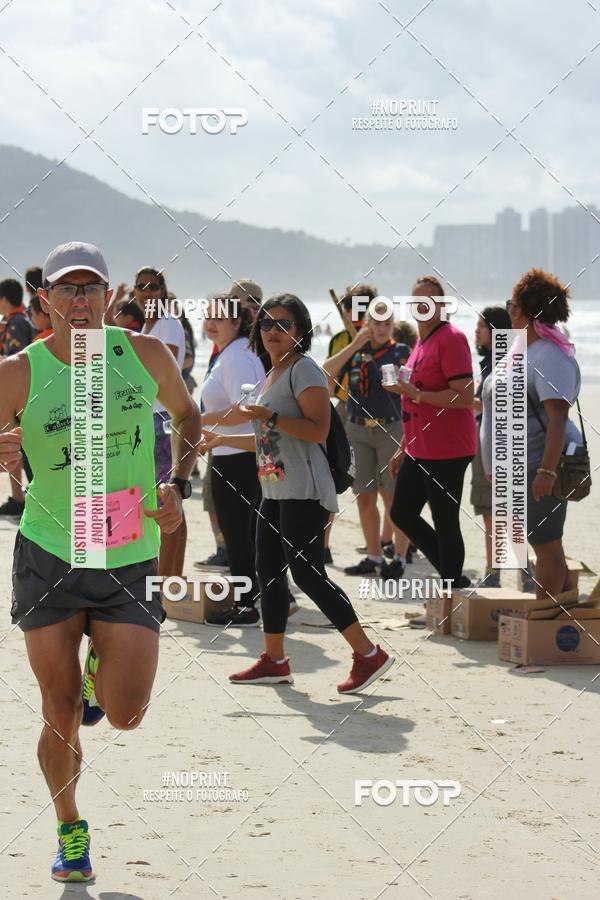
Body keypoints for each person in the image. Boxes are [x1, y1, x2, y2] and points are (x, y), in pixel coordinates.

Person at [0, 242, 201, 883]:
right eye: (68, 289)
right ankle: (70, 830)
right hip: (50, 553)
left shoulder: (145, 356)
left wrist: (179, 483)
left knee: (126, 713)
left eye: (92, 289)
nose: (80, 300)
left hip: (126, 555)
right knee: (57, 709)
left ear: (111, 299)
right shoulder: (17, 372)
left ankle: (99, 678)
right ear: (46, 302)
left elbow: (189, 415)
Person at [199, 293, 394, 693]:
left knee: (307, 573)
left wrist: (268, 416)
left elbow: (316, 431)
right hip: (276, 487)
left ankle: (368, 654)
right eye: (267, 323)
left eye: (283, 324)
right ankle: (274, 660)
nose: (273, 331)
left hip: (305, 489)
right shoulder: (272, 373)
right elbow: (265, 439)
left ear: (301, 331)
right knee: (268, 574)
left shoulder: (304, 370)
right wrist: (204, 427)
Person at [481, 269, 583, 600]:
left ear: (525, 310)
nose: (508, 309)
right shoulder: (524, 349)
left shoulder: (549, 357)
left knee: (546, 546)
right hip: (517, 467)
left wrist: (546, 472)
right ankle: (563, 618)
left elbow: (558, 419)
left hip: (537, 465)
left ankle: (545, 620)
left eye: (513, 303)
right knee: (543, 542)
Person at [385, 276, 476, 626]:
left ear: (442, 305)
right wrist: (403, 447)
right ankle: (455, 579)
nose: (421, 305)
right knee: (402, 513)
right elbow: (412, 399)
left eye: (428, 300)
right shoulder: (422, 342)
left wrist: (417, 393)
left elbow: (464, 395)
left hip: (449, 448)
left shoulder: (451, 339)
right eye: (416, 300)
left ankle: (451, 592)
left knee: (445, 519)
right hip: (419, 447)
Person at [324, 298, 411, 578]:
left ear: (393, 325)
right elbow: (326, 373)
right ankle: (373, 556)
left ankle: (399, 556)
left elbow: (414, 388)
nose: (382, 329)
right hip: (358, 428)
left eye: (387, 324)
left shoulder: (400, 352)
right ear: (367, 324)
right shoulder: (355, 350)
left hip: (391, 426)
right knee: (364, 495)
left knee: (393, 495)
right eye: (376, 323)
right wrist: (355, 343)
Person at [199, 295, 266, 627]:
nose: (211, 323)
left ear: (237, 322)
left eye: (219, 318)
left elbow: (245, 408)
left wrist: (199, 421)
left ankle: (245, 606)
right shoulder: (232, 353)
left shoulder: (237, 356)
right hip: (235, 452)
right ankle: (258, 597)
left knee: (237, 532)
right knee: (247, 531)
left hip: (237, 456)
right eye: (208, 316)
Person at [471, 306, 512, 587]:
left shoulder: (504, 362)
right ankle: (498, 570)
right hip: (489, 439)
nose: (476, 331)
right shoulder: (492, 361)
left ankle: (498, 571)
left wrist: (460, 401)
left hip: (498, 442)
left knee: (497, 510)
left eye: (481, 326)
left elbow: (499, 406)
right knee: (494, 510)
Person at [0, 278, 35, 518]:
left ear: (4, 299)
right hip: (24, 393)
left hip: (19, 394)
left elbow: (17, 360)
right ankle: (20, 496)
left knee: (15, 444)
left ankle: (20, 498)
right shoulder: (20, 320)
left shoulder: (16, 324)